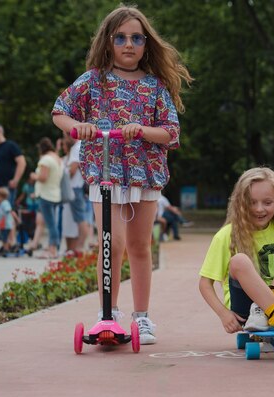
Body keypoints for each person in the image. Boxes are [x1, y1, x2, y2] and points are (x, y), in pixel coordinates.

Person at [51, 4, 192, 345]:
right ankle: (108, 313)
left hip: (144, 175)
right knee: (109, 244)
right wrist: (77, 128)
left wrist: (142, 129)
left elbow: (171, 133)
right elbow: (60, 111)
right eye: (121, 37)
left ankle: (141, 317)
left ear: (146, 44)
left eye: (137, 38)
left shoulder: (155, 86)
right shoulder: (93, 80)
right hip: (104, 172)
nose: (129, 44)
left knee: (140, 245)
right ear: (108, 41)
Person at [198, 167, 274, 354]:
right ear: (241, 204)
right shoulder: (226, 235)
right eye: (252, 203)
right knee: (239, 261)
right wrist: (223, 314)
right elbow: (205, 284)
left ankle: (273, 311)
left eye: (267, 202)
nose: (259, 209)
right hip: (248, 311)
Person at [30, 137, 63, 259]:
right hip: (54, 194)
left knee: (51, 224)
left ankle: (52, 250)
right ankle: (52, 248)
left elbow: (43, 177)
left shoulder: (46, 160)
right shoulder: (57, 158)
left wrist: (34, 176)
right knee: (51, 222)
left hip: (46, 195)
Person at [0, 187, 16, 255]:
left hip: (6, 225)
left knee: (5, 238)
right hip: (3, 225)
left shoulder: (5, 203)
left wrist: (16, 219)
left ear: (0, 196)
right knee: (3, 237)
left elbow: (9, 211)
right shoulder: (2, 204)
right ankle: (7, 247)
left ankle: (6, 249)